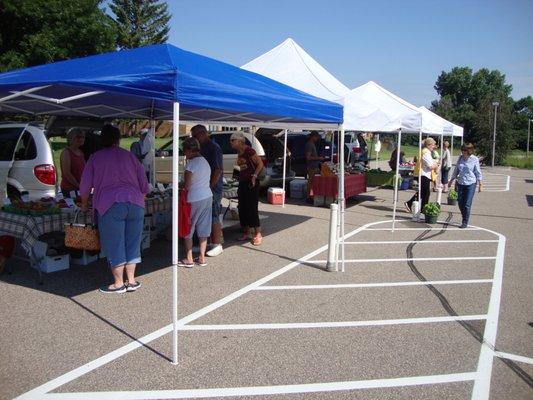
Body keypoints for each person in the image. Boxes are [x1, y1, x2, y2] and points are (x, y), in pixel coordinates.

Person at [80, 124, 149, 294]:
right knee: (133, 242)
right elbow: (145, 185)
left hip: (110, 204)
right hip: (135, 203)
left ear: (102, 139)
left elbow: (85, 186)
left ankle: (118, 283)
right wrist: (140, 198)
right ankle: (131, 281)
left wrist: (83, 204)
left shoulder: (95, 158)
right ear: (118, 139)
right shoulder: (131, 156)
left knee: (114, 243)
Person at [178, 137, 213, 267]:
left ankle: (189, 258)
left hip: (194, 198)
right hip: (207, 196)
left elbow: (186, 185)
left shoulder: (191, 164)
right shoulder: (204, 161)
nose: (184, 154)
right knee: (204, 228)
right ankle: (202, 258)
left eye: (184, 151)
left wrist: (180, 185)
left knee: (188, 227)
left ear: (188, 150)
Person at [191, 125, 224, 257]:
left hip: (212, 188)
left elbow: (218, 170)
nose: (194, 139)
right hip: (204, 187)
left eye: (195, 136)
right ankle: (207, 242)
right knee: (204, 216)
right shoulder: (203, 148)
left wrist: (210, 186)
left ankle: (217, 244)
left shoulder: (213, 148)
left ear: (202, 134)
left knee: (214, 214)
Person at [230, 131, 264, 246]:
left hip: (252, 182)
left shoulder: (249, 151)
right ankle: (247, 231)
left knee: (252, 207)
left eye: (232, 140)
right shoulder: (239, 152)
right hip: (243, 182)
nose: (231, 143)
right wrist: (236, 176)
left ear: (239, 141)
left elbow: (260, 164)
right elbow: (241, 166)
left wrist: (254, 176)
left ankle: (258, 233)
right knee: (242, 207)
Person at [449, 143, 483, 228]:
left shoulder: (474, 159)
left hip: (471, 183)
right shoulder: (460, 158)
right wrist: (451, 180)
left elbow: (478, 172)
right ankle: (464, 215)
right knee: (460, 202)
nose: (463, 152)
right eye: (462, 150)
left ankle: (465, 221)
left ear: (469, 151)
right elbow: (456, 170)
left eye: (465, 150)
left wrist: (480, 184)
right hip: (461, 182)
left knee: (467, 203)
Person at [405, 138, 440, 214]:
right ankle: (423, 209)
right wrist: (436, 164)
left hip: (424, 174)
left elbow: (430, 163)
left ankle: (411, 204)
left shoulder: (427, 152)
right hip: (423, 174)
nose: (434, 146)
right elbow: (430, 166)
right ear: (429, 145)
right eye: (433, 145)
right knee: (425, 193)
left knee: (423, 193)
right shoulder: (426, 153)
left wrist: (434, 163)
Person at [60, 129, 86, 198]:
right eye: (78, 137)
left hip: (79, 188)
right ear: (71, 138)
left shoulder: (80, 152)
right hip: (69, 189)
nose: (81, 139)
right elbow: (67, 173)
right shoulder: (66, 152)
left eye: (82, 137)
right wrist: (78, 185)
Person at [305, 131, 324, 202]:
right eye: (316, 137)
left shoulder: (311, 144)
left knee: (313, 182)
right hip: (312, 167)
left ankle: (311, 196)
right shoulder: (309, 145)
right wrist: (319, 158)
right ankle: (308, 197)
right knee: (311, 182)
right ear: (313, 136)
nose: (317, 138)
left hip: (314, 166)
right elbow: (308, 157)